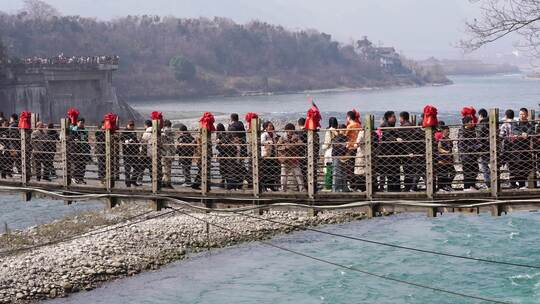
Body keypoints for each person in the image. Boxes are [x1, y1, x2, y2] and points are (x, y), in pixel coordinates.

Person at [277, 123, 304, 192]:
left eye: (291, 130)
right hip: (285, 159)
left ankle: (302, 188)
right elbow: (278, 146)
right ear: (286, 131)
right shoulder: (282, 137)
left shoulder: (296, 137)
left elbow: (301, 144)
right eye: (288, 130)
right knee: (283, 175)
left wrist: (292, 145)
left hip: (294, 159)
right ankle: (283, 189)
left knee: (298, 175)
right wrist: (285, 147)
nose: (290, 132)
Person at [377, 111, 400, 192]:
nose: (395, 118)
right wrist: (395, 139)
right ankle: (385, 189)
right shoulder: (385, 126)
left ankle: (390, 189)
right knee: (387, 172)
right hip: (386, 153)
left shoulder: (390, 125)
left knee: (389, 173)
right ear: (388, 118)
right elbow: (387, 136)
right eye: (393, 117)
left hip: (390, 153)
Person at [512, 108, 534, 189]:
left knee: (527, 165)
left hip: (527, 147)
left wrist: (526, 133)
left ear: (527, 115)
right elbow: (514, 130)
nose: (522, 116)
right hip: (516, 147)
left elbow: (531, 130)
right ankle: (521, 184)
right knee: (518, 165)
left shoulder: (529, 124)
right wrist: (522, 134)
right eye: (520, 114)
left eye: (523, 114)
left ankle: (523, 184)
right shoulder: (516, 123)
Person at [458, 116, 480, 191]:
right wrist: (476, 147)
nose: (472, 123)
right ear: (466, 124)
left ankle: (472, 185)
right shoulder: (462, 132)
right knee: (467, 171)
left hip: (472, 155)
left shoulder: (472, 131)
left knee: (475, 169)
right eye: (470, 122)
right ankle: (467, 187)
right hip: (466, 156)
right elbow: (464, 146)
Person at [227, 113, 249, 188]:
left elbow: (232, 138)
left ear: (231, 118)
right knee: (240, 165)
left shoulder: (232, 127)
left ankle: (242, 180)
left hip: (235, 149)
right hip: (243, 148)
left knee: (235, 166)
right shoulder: (241, 125)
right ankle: (243, 180)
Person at [260, 121, 280, 191]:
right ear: (266, 127)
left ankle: (271, 185)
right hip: (266, 154)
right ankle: (265, 186)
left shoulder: (274, 134)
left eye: (272, 126)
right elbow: (261, 142)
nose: (271, 127)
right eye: (269, 126)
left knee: (272, 170)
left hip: (273, 154)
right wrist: (269, 142)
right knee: (266, 170)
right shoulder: (264, 135)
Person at [398, 111, 416, 191]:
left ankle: (408, 187)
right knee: (411, 170)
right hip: (411, 150)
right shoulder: (411, 125)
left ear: (402, 118)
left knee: (407, 170)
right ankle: (412, 186)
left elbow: (405, 140)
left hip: (406, 151)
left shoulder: (404, 127)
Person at [70, 118, 91, 184]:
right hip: (76, 150)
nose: (81, 124)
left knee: (83, 165)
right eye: (80, 122)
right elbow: (71, 138)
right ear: (77, 122)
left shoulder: (84, 131)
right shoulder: (74, 130)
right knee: (76, 164)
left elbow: (86, 139)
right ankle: (74, 177)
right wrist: (74, 140)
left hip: (84, 150)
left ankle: (81, 178)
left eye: (82, 123)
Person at [120, 120, 140, 187]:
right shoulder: (124, 132)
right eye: (130, 125)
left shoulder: (134, 132)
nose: (132, 126)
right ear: (127, 125)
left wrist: (137, 145)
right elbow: (122, 139)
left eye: (132, 125)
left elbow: (136, 141)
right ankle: (128, 183)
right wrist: (129, 141)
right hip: (127, 153)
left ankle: (133, 180)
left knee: (138, 167)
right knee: (127, 169)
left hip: (134, 153)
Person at [436, 125, 456, 191]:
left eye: (449, 131)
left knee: (453, 172)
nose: (448, 132)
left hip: (448, 160)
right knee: (442, 174)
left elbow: (451, 149)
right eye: (447, 131)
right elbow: (439, 148)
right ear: (443, 132)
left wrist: (451, 157)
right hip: (442, 160)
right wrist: (446, 152)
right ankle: (441, 187)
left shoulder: (449, 140)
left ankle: (447, 184)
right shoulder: (441, 139)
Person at [322, 117, 338, 191]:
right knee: (334, 169)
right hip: (336, 151)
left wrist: (322, 147)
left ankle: (328, 186)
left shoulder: (329, 131)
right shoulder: (337, 130)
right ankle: (335, 185)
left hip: (329, 151)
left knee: (328, 169)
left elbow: (327, 142)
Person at [215, 123, 233, 189]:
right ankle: (226, 183)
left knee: (223, 169)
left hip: (223, 154)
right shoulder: (225, 134)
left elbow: (218, 146)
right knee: (226, 169)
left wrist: (219, 143)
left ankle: (223, 182)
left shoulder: (219, 135)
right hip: (227, 154)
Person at [331, 125, 348, 192]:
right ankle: (336, 189)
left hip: (340, 156)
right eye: (343, 129)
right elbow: (337, 145)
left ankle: (341, 188)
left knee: (341, 173)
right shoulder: (339, 137)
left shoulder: (338, 137)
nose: (344, 131)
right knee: (337, 173)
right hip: (338, 156)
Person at [477, 109, 491, 189]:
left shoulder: (481, 124)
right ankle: (495, 181)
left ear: (480, 115)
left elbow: (479, 137)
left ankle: (488, 183)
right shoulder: (490, 122)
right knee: (493, 164)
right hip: (491, 147)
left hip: (483, 148)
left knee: (484, 166)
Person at [138, 120, 153, 184]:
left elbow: (143, 142)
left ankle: (139, 180)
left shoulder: (147, 132)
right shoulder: (154, 131)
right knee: (152, 168)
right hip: (152, 152)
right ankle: (153, 181)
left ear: (146, 125)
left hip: (146, 152)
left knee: (141, 167)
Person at [161, 120, 175, 188]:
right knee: (168, 168)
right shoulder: (172, 132)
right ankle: (167, 181)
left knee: (165, 167)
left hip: (164, 152)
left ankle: (165, 182)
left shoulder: (162, 132)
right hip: (170, 152)